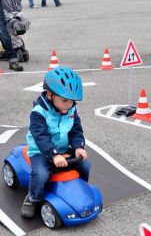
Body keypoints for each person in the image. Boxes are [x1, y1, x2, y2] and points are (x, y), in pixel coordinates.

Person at [21, 66, 90, 218]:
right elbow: (41, 137)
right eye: (64, 100)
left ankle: (79, 189)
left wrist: (79, 146)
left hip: (63, 149)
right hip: (41, 151)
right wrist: (54, 155)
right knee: (41, 174)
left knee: (85, 164)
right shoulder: (38, 113)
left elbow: (76, 130)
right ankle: (33, 198)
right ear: (51, 95)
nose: (69, 104)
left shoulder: (71, 110)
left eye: (72, 101)